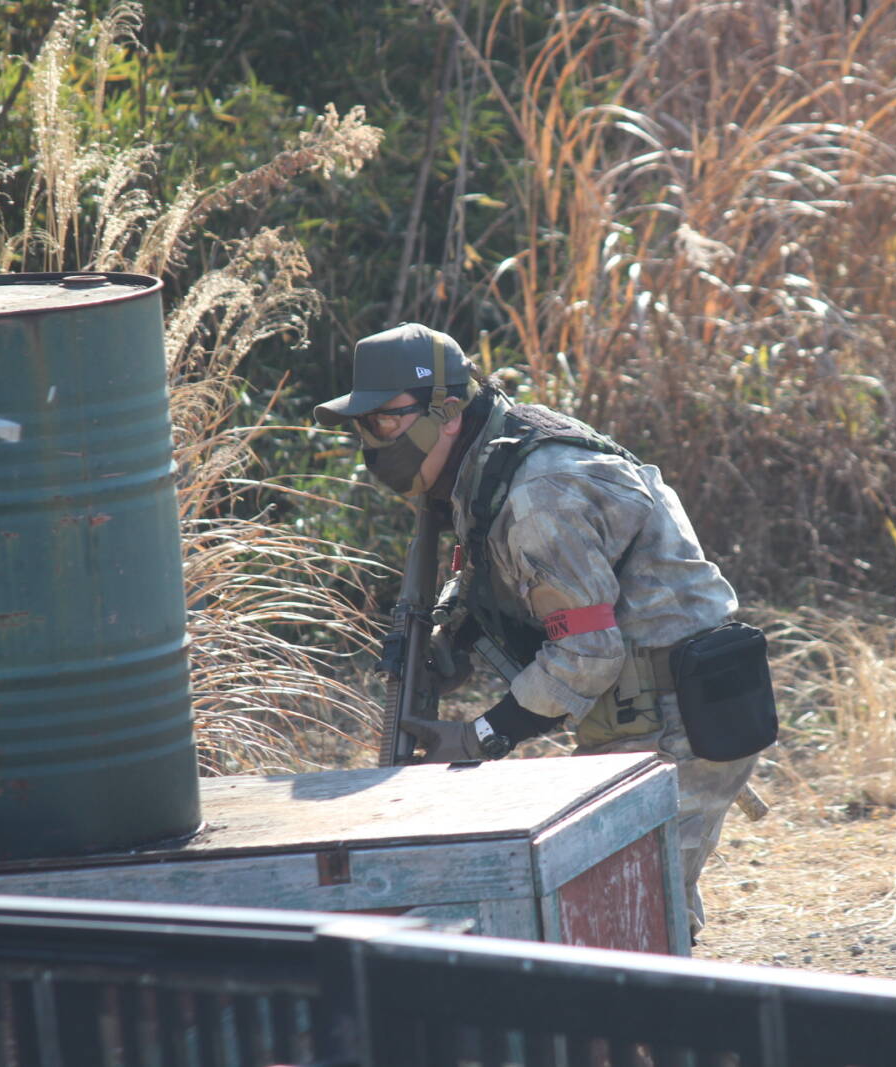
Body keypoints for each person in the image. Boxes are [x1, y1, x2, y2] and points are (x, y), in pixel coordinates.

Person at [313, 322, 774, 935]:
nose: (374, 441)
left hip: (679, 717)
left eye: (385, 420)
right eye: (364, 425)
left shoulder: (539, 490)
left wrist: (479, 736)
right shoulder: (489, 461)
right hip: (643, 708)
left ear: (446, 413)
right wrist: (456, 642)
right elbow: (515, 581)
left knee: (631, 918)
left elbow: (587, 652)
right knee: (629, 911)